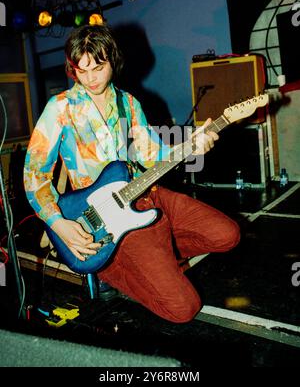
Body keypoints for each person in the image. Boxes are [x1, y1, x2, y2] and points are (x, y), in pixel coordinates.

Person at [23, 24, 240, 323]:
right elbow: (34, 175)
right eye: (81, 70)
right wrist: (57, 222)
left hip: (147, 194)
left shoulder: (129, 103)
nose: (90, 78)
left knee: (228, 235)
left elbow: (153, 156)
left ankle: (134, 258)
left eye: (98, 67)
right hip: (100, 215)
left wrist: (193, 146)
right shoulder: (60, 108)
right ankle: (109, 267)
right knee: (183, 309)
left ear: (112, 59)